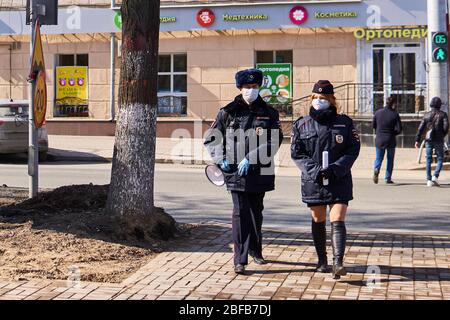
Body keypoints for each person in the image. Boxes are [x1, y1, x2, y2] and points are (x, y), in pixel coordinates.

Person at [204, 68, 283, 275]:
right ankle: (240, 259)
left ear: (259, 88)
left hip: (259, 170)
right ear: (240, 88)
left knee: (256, 212)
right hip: (234, 172)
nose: (251, 90)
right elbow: (212, 138)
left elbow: (275, 140)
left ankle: (256, 250)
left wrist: (252, 157)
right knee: (240, 214)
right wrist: (220, 159)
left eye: (254, 87)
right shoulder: (228, 112)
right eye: (247, 87)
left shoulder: (269, 113)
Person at [291, 80, 361, 279]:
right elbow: (297, 153)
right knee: (318, 219)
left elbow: (352, 149)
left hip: (339, 178)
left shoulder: (344, 123)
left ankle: (338, 263)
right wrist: (315, 172)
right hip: (313, 180)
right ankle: (322, 260)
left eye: (323, 98)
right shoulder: (302, 124)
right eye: (315, 98)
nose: (318, 101)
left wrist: (335, 169)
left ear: (331, 100)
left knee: (337, 219)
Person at [415, 97, 449, 187]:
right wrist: (442, 135)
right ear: (439, 105)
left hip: (428, 139)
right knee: (440, 158)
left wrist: (417, 140)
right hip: (439, 139)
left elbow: (420, 128)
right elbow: (446, 127)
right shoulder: (443, 115)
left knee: (428, 159)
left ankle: (429, 179)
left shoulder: (426, 115)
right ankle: (435, 176)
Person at [372, 96, 403, 184]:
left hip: (379, 139)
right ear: (393, 104)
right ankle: (387, 178)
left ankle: (376, 168)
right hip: (390, 139)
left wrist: (378, 132)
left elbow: (373, 125)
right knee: (390, 159)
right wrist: (393, 133)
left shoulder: (378, 113)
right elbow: (399, 128)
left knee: (379, 158)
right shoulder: (394, 114)